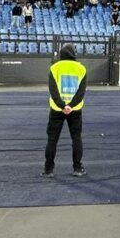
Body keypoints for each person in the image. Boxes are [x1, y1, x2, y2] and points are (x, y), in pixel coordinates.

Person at [43, 45, 87, 178]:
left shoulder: (54, 68)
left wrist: (62, 106)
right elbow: (81, 92)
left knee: (52, 139)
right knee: (76, 138)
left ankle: (48, 169)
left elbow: (53, 90)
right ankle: (77, 168)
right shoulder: (81, 68)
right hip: (75, 110)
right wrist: (71, 105)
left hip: (57, 109)